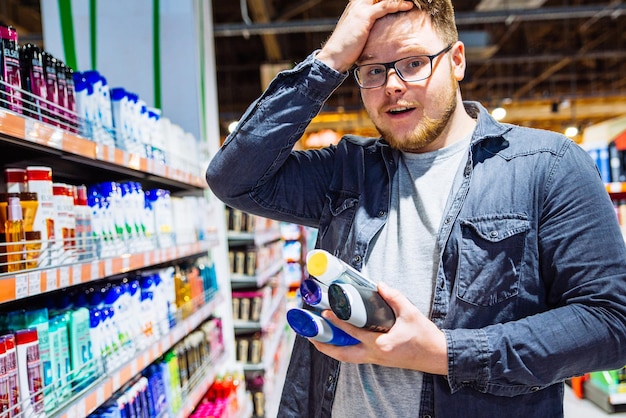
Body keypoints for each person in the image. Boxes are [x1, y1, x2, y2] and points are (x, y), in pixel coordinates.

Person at [206, 0, 626, 416]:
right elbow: (232, 178)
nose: (391, 84)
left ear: (457, 60)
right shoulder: (348, 171)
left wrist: (443, 353)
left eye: (412, 62)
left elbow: (611, 323)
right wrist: (330, 58)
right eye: (372, 69)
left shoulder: (547, 166)